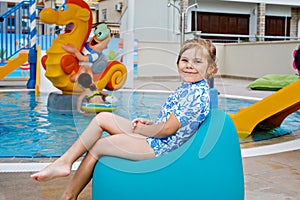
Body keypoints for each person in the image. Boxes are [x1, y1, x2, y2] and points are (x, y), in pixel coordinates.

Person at [30, 38, 218, 200]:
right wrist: (150, 124)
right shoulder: (189, 88)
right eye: (184, 60)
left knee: (100, 146)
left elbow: (169, 130)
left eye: (197, 62)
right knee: (102, 117)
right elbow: (177, 122)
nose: (189, 65)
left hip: (160, 147)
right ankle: (65, 162)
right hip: (158, 139)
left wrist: (143, 130)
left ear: (210, 69)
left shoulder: (194, 93)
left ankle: (68, 196)